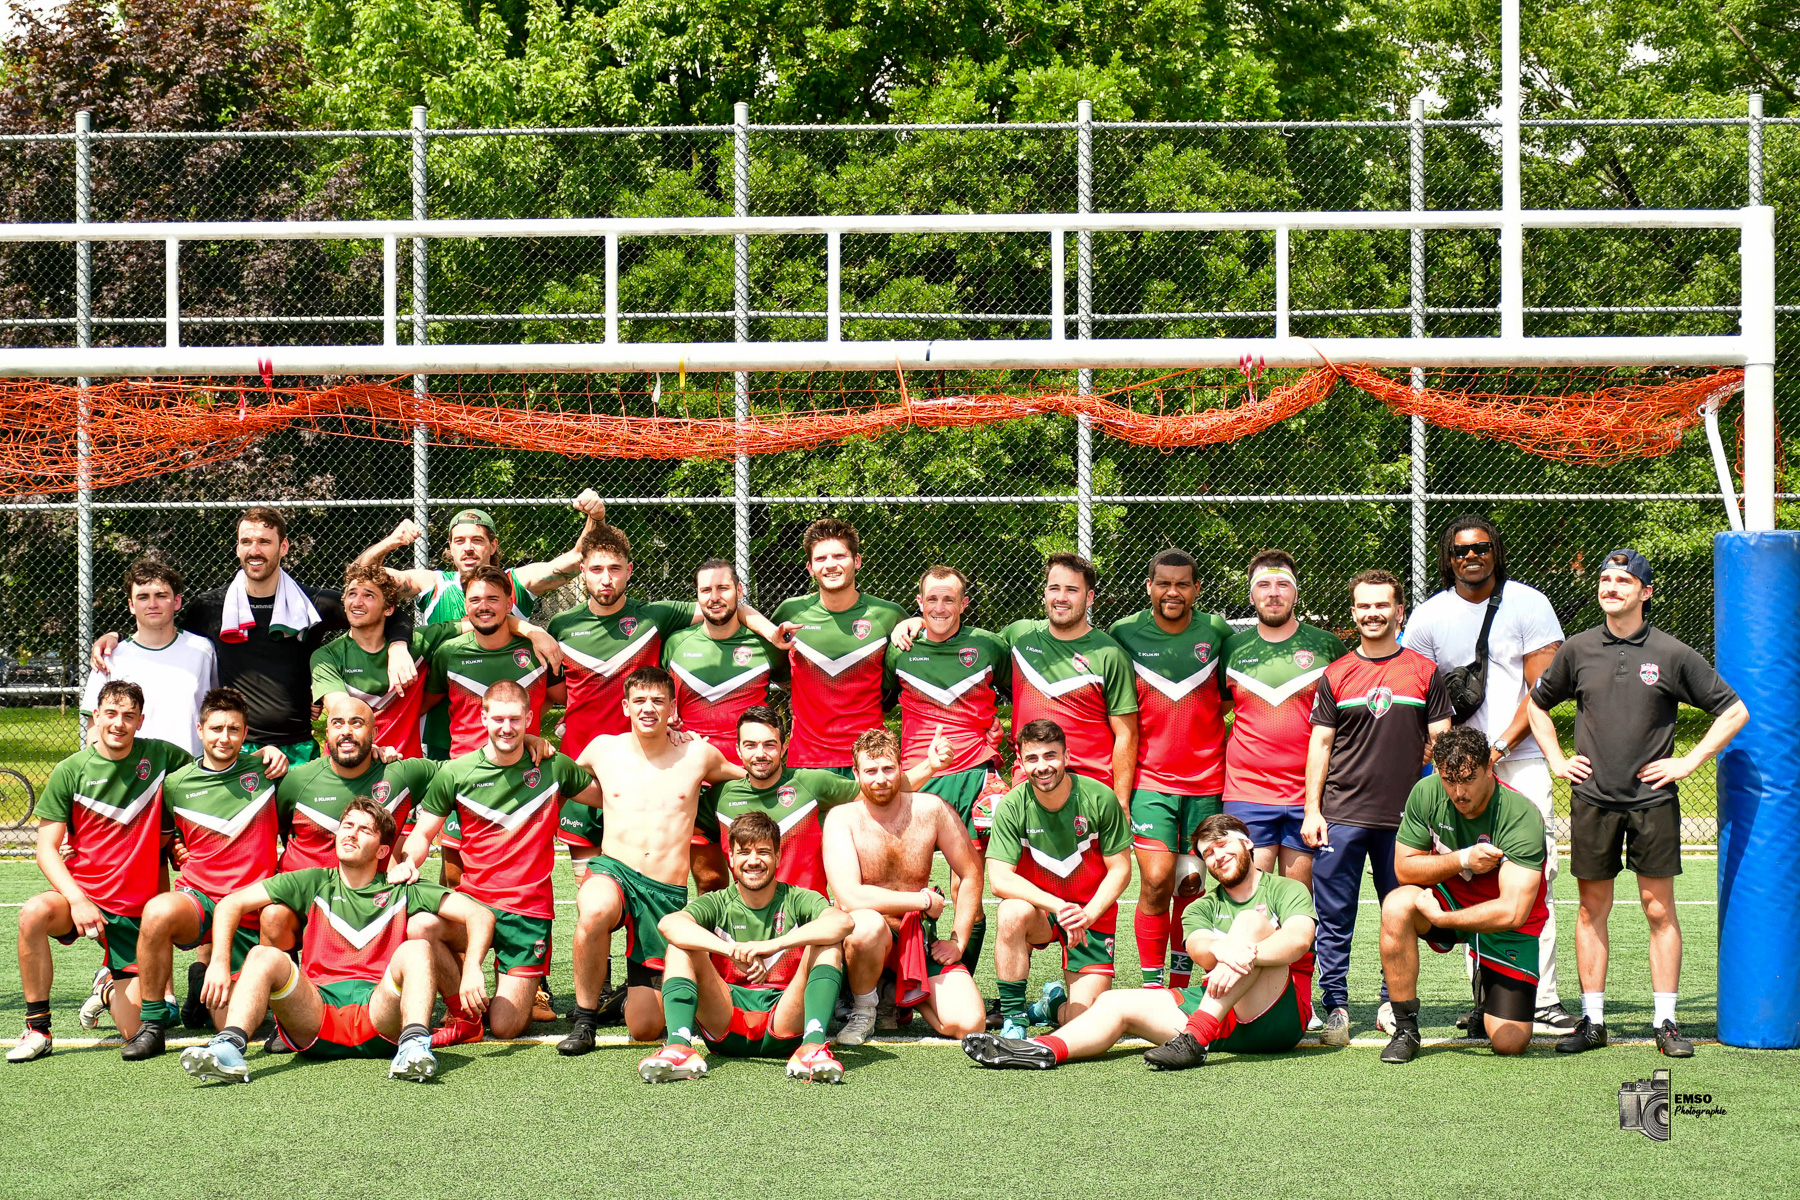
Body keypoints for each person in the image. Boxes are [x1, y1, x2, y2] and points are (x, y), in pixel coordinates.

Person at [1526, 548, 1746, 1058]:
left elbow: (1734, 711)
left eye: (1624, 581)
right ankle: (1594, 1020)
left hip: (1652, 802)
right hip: (1592, 800)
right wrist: (1558, 760)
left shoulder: (1671, 653)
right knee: (1591, 908)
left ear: (1645, 592)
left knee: (1657, 908)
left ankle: (1666, 1022)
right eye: (1606, 579)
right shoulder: (1578, 649)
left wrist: (1687, 763)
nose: (1612, 587)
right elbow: (1536, 706)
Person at [963, 813, 1314, 1070]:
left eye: (1223, 845)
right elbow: (1199, 949)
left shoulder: (1285, 888)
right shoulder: (1203, 906)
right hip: (1219, 1015)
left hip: (1276, 1018)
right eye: (1207, 853)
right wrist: (1222, 950)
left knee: (1250, 923)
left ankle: (1194, 1039)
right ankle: (1040, 1050)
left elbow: (1299, 939)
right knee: (1114, 1002)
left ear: (1248, 843)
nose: (1217, 856)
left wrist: (1245, 952)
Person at [180, 798, 496, 1083]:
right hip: (315, 1016)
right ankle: (228, 1050)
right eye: (346, 826)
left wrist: (471, 969)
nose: (351, 834)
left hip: (379, 1018)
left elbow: (481, 915)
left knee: (417, 947)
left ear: (383, 850)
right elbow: (229, 905)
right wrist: (219, 963)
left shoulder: (402, 888)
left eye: (364, 830)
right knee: (264, 955)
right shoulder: (313, 880)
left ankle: (414, 1047)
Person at [1403, 515, 1575, 1031]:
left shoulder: (1529, 603)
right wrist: (1452, 764)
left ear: (1495, 551)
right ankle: (1486, 998)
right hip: (1456, 771)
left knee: (1532, 875)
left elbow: (1541, 693)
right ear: (1447, 558)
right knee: (1466, 873)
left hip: (1518, 761)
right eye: (1460, 550)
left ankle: (1540, 996)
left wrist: (1497, 749)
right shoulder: (1430, 615)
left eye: (1480, 548)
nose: (1470, 556)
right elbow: (1420, 693)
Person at [552, 530, 784, 893]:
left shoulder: (656, 618)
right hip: (585, 769)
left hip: (652, 770)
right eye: (596, 569)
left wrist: (769, 630)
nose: (606, 577)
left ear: (629, 570)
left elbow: (722, 605)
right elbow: (553, 688)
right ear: (582, 571)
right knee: (590, 890)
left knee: (655, 874)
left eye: (615, 568)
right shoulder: (560, 626)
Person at [90, 506, 414, 764]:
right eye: (246, 542)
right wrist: (116, 636)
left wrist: (398, 647)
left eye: (264, 542)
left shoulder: (312, 603)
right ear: (237, 548)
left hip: (299, 747)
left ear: (283, 546)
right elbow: (163, 635)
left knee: (307, 841)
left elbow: (385, 611)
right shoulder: (210, 607)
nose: (254, 550)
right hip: (234, 750)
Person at [391, 680, 600, 1042]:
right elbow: (422, 834)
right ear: (483, 716)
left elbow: (608, 795)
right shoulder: (456, 773)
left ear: (530, 719)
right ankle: (463, 1013)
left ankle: (502, 996)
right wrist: (408, 861)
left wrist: (613, 752)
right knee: (420, 927)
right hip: (472, 905)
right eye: (499, 718)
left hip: (528, 911)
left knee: (506, 1028)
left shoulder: (555, 768)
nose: (507, 728)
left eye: (516, 720)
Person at [559, 666, 743, 1054]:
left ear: (672, 707)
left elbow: (750, 776)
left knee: (644, 1027)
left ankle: (629, 997)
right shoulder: (602, 749)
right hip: (614, 871)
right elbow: (561, 780)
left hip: (664, 892)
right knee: (594, 909)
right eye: (639, 700)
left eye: (658, 701)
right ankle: (584, 1019)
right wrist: (533, 742)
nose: (648, 708)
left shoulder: (698, 754)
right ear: (625, 705)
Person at [1303, 569, 1451, 1046]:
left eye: (1382, 605)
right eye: (1364, 606)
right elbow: (1320, 745)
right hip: (1341, 815)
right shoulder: (1337, 673)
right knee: (1334, 917)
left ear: (1398, 611)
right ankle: (1336, 1006)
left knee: (1400, 914)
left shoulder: (1424, 672)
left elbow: (1442, 742)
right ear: (1353, 613)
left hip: (1405, 822)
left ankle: (1393, 1003)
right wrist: (1312, 811)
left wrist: (1436, 813)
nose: (1372, 613)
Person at [9, 682, 188, 1062]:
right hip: (84, 898)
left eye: (128, 716)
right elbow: (45, 849)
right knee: (33, 913)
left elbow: (212, 776)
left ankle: (107, 986)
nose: (118, 723)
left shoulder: (164, 757)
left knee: (138, 1030)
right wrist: (76, 900)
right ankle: (37, 1029)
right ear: (96, 718)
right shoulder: (69, 771)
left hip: (136, 912)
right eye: (110, 714)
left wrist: (180, 840)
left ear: (141, 720)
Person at [128, 687, 287, 1060]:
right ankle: (152, 1024)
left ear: (246, 734)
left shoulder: (266, 771)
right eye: (216, 728)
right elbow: (165, 840)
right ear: (200, 730)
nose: (224, 737)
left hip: (250, 905)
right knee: (157, 912)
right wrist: (175, 848)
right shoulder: (176, 784)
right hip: (200, 898)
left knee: (229, 1021)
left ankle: (202, 979)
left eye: (234, 729)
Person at [637, 812, 855, 1084]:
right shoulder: (719, 901)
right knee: (680, 946)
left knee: (827, 942)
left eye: (763, 852)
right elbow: (670, 924)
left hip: (785, 1017)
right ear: (731, 859)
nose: (753, 861)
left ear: (778, 857)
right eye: (744, 852)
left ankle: (812, 1047)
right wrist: (730, 950)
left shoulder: (797, 898)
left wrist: (771, 945)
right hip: (726, 1018)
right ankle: (679, 1047)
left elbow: (842, 922)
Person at [1378, 726, 1551, 1064]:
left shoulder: (1522, 815)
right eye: (1448, 780)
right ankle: (1405, 1029)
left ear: (1490, 768)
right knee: (1396, 905)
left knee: (1510, 1042)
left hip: (1504, 924)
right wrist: (1463, 859)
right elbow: (1404, 869)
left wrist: (1442, 919)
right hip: (1451, 897)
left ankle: (1487, 987)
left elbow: (1513, 911)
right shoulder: (1426, 792)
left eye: (1469, 778)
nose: (1458, 792)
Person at [1107, 548, 1232, 988]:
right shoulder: (1123, 633)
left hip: (1207, 782)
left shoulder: (1216, 632)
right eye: (1163, 583)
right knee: (1158, 880)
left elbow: (1233, 694)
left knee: (1192, 882)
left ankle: (1179, 983)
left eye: (1182, 584)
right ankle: (1151, 982)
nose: (1172, 591)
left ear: (1196, 590)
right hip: (1150, 781)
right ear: (1149, 587)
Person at [822, 728, 986, 1046]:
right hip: (868, 939)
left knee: (968, 1023)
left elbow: (970, 873)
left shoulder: (931, 810)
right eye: (870, 770)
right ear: (856, 773)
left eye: (888, 768)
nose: (880, 778)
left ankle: (895, 993)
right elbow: (850, 896)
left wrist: (958, 941)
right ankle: (864, 1009)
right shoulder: (842, 818)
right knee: (865, 926)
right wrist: (922, 900)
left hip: (916, 939)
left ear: (900, 767)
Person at [883, 564, 1010, 970]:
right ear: (919, 604)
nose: (940, 607)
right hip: (917, 778)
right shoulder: (898, 650)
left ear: (964, 604)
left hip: (974, 775)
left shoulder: (989, 647)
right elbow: (881, 702)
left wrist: (1000, 738)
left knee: (965, 881)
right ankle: (908, 978)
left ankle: (961, 976)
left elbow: (1014, 695)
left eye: (949, 599)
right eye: (931, 599)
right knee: (905, 881)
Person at [986, 720, 1133, 1040]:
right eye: (1033, 759)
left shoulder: (1100, 798)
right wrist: (1059, 906)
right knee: (1011, 912)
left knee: (1086, 1021)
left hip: (1089, 913)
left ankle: (1051, 1008)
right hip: (1042, 910)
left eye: (1050, 756)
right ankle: (1014, 1017)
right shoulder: (1013, 805)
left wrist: (1089, 912)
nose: (1042, 766)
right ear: (1021, 762)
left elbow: (1121, 869)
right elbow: (998, 879)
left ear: (1067, 755)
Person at [1221, 549, 1347, 891]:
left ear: (1295, 592)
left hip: (1308, 795)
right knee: (1249, 894)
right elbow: (1217, 710)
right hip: (1247, 792)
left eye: (1282, 584)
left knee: (1300, 897)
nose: (1273, 592)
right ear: (1251, 594)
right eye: (1263, 584)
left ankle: (1306, 949)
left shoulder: (1327, 646)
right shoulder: (1231, 648)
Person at [771, 519, 909, 774]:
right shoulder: (790, 612)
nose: (831, 564)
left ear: (856, 561)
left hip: (870, 760)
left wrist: (918, 620)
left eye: (839, 555)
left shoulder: (888, 615)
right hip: (807, 759)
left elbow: (910, 676)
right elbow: (774, 669)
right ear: (810, 568)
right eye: (821, 558)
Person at [999, 554, 1138, 800]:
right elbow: (971, 660)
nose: (1061, 598)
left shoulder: (1110, 654)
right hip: (1029, 780)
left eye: (1072, 590)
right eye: (1054, 588)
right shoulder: (1019, 636)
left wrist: (1121, 802)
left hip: (1090, 785)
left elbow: (1126, 734)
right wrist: (915, 623)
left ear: (1090, 597)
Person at [710, 707, 863, 895]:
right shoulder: (720, 797)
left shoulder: (812, 783)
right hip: (748, 914)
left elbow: (876, 795)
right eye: (750, 745)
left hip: (808, 913)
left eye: (769, 745)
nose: (760, 754)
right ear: (738, 750)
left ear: (783, 748)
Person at [80, 558, 217, 755]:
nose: (152, 604)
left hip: (190, 773)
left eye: (161, 596)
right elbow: (95, 729)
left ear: (177, 601)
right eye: (143, 597)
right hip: (131, 776)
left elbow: (217, 713)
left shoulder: (203, 651)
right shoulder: (110, 656)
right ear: (131, 605)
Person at [422, 565, 558, 758]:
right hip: (465, 771)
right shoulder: (448, 653)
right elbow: (423, 705)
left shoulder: (536, 650)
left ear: (509, 605)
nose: (483, 606)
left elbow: (565, 697)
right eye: (475, 600)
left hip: (524, 768)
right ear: (466, 605)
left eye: (492, 599)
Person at [664, 557, 788, 762]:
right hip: (688, 764)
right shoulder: (675, 644)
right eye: (706, 590)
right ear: (697, 595)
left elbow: (792, 688)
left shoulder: (767, 645)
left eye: (722, 588)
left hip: (749, 769)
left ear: (739, 591)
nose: (714, 597)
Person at [310, 562, 428, 759]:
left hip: (402, 767)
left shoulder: (417, 644)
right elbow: (344, 714)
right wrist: (372, 748)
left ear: (389, 609)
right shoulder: (326, 656)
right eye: (352, 594)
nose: (357, 602)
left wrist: (399, 646)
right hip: (344, 765)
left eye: (368, 595)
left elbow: (472, 624)